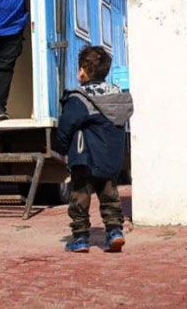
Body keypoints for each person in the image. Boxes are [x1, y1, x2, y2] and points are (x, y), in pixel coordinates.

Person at [54, 45, 131, 253]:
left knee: (80, 196)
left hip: (85, 157)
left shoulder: (80, 97)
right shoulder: (117, 95)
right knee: (110, 196)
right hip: (109, 158)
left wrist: (60, 148)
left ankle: (80, 238)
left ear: (82, 71)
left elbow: (67, 125)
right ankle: (115, 232)